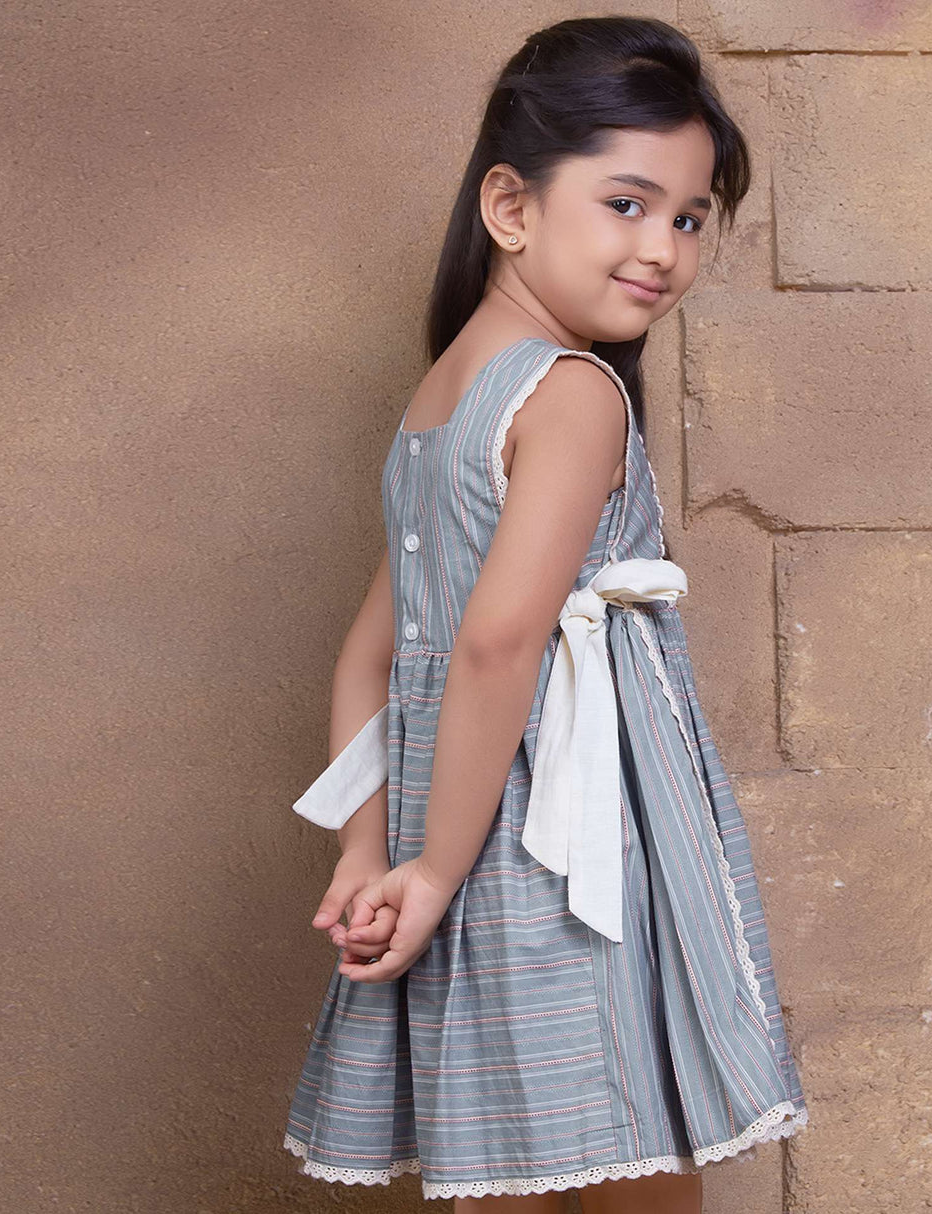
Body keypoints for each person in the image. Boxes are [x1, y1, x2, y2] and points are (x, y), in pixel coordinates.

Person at [281, 15, 808, 1211]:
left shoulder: (440, 397)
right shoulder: (570, 396)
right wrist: (435, 870)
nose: (662, 248)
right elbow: (496, 640)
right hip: (567, 854)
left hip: (445, 833)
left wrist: (382, 854)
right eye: (625, 204)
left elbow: (369, 660)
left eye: (685, 216)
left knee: (504, 1164)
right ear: (510, 208)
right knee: (628, 1155)